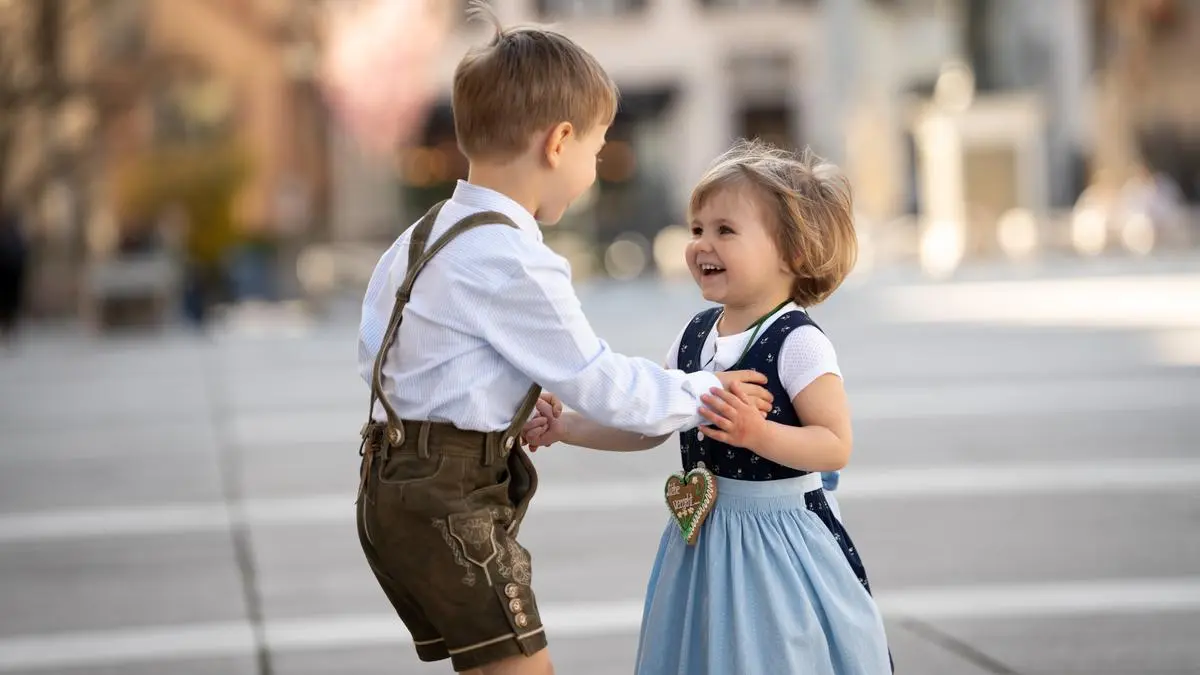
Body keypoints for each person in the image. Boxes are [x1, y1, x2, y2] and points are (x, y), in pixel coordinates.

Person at [353, 6, 773, 675]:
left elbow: (388, 349)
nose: (596, 171)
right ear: (559, 142)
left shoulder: (426, 235)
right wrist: (706, 390)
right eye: (597, 152)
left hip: (388, 488)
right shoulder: (513, 257)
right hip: (451, 505)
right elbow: (604, 383)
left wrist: (500, 395)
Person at [524, 139, 893, 674]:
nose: (702, 245)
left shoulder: (797, 343)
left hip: (780, 542)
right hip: (703, 538)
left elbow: (834, 445)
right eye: (697, 229)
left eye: (725, 231)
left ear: (791, 251)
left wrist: (757, 434)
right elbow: (650, 425)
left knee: (774, 654)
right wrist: (567, 428)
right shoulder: (694, 338)